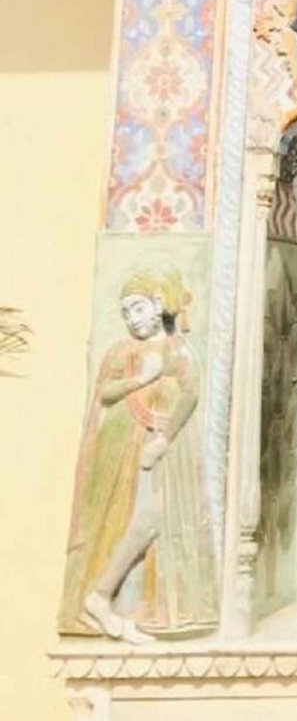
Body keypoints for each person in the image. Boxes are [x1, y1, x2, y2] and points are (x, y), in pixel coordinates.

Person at [58, 268, 219, 641]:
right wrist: (142, 379)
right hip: (126, 441)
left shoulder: (178, 350)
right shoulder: (123, 351)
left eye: (138, 308)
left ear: (158, 305)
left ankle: (109, 598)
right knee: (140, 518)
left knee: (154, 520)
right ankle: (102, 597)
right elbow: (105, 392)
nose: (132, 318)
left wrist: (165, 439)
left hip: (164, 444)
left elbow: (190, 394)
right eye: (126, 312)